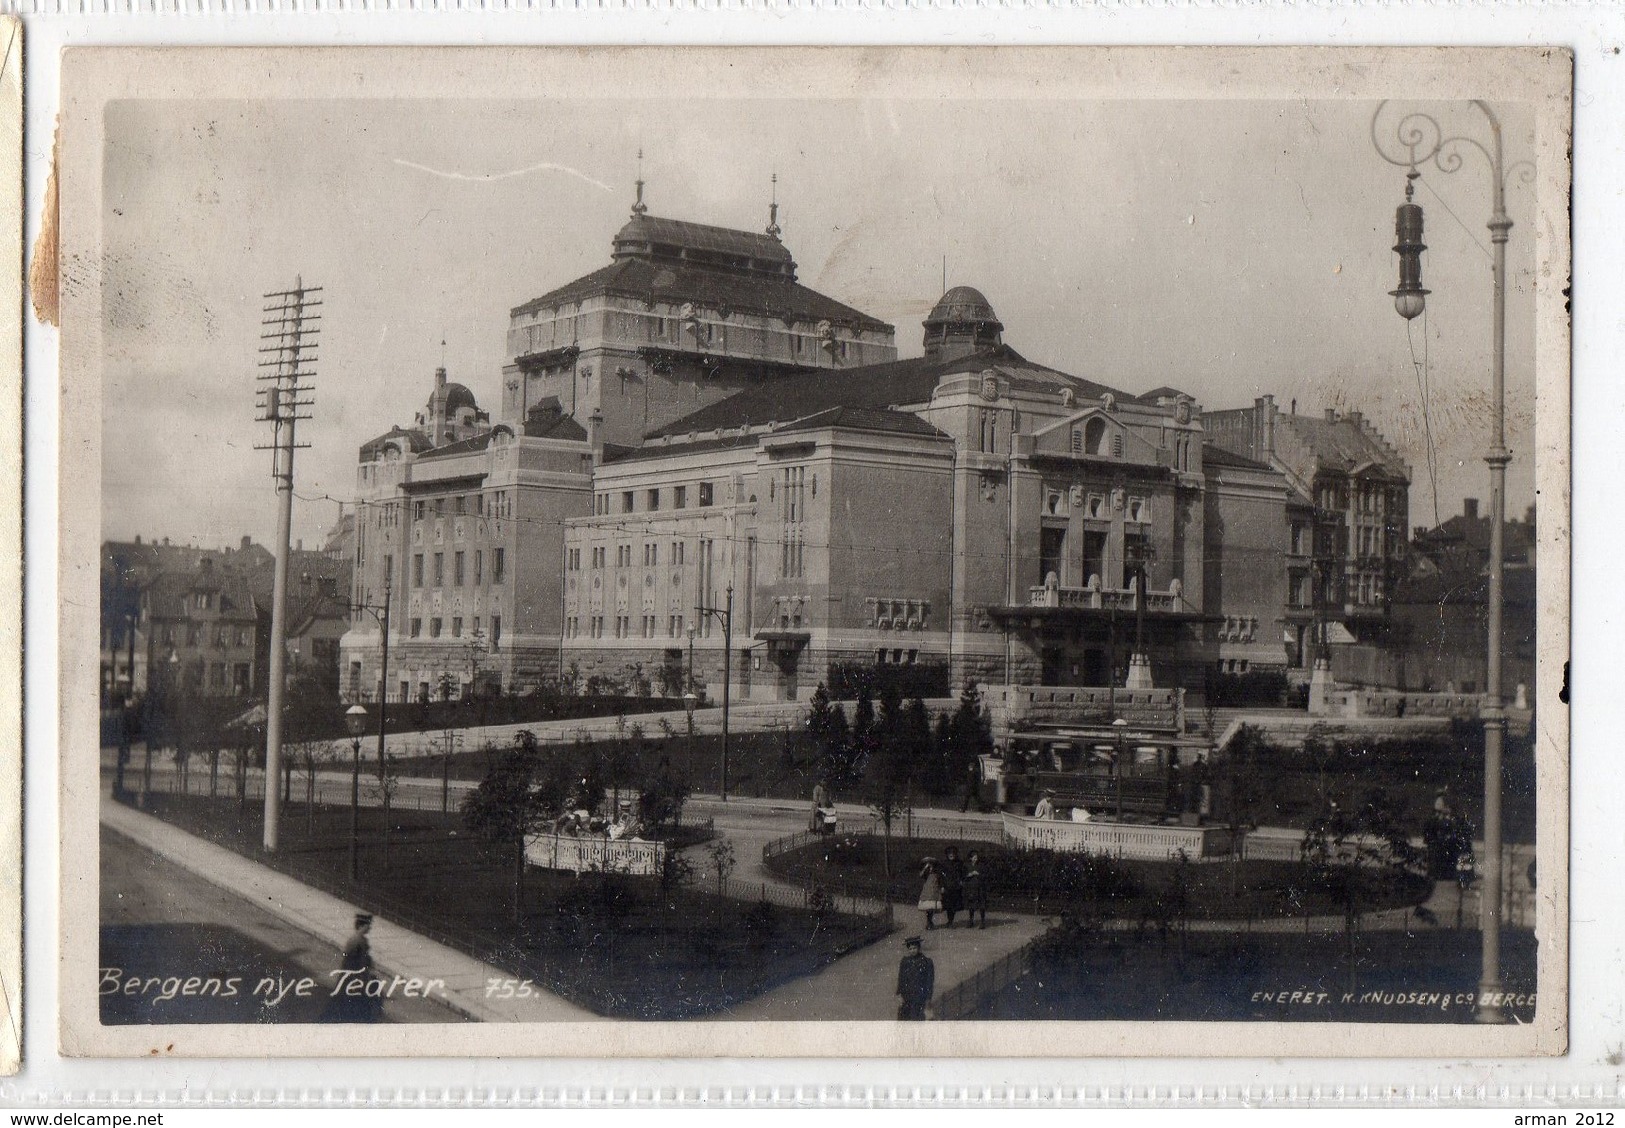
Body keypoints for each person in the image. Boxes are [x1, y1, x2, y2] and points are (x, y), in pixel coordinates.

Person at [323, 912, 381, 1023]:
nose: (369, 928)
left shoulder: (359, 939)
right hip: (353, 976)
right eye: (368, 925)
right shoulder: (357, 941)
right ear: (362, 926)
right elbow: (352, 960)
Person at [895, 936, 935, 1021]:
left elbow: (929, 981)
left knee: (918, 1018)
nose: (912, 950)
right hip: (907, 996)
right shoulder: (905, 961)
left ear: (919, 948)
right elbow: (901, 978)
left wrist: (928, 998)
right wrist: (899, 994)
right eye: (910, 949)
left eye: (914, 948)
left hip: (920, 996)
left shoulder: (926, 962)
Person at [939, 845, 966, 928]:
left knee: (954, 904)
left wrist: (961, 880)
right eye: (950, 853)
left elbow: (963, 873)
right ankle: (949, 920)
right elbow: (941, 876)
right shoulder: (944, 863)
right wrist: (942, 886)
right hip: (947, 886)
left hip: (956, 886)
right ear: (947, 854)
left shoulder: (959, 863)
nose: (951, 855)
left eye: (953, 853)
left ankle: (951, 921)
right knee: (948, 905)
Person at [963, 851, 988, 930]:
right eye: (974, 857)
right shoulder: (967, 866)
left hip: (980, 888)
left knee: (981, 905)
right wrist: (969, 875)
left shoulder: (981, 866)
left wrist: (978, 874)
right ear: (970, 858)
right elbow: (963, 876)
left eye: (976, 857)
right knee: (971, 905)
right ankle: (971, 921)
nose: (975, 858)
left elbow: (986, 876)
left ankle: (982, 922)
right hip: (971, 888)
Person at [916, 858, 944, 930]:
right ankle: (929, 922)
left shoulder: (937, 872)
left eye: (931, 863)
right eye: (928, 863)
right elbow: (921, 875)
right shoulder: (926, 872)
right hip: (927, 890)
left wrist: (941, 887)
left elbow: (940, 879)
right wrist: (925, 868)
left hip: (934, 890)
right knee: (927, 907)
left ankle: (930, 922)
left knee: (932, 907)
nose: (930, 865)